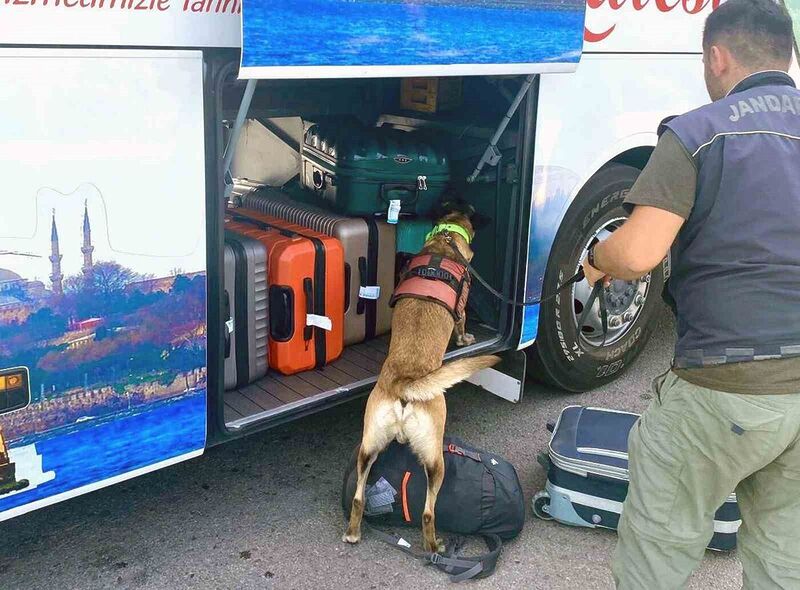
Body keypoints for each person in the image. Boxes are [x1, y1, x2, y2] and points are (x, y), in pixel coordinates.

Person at [580, 0, 800, 587]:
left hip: (725, 384)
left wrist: (598, 260)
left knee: (661, 538)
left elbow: (638, 254)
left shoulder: (698, 132)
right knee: (786, 555)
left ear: (717, 56)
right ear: (788, 54)